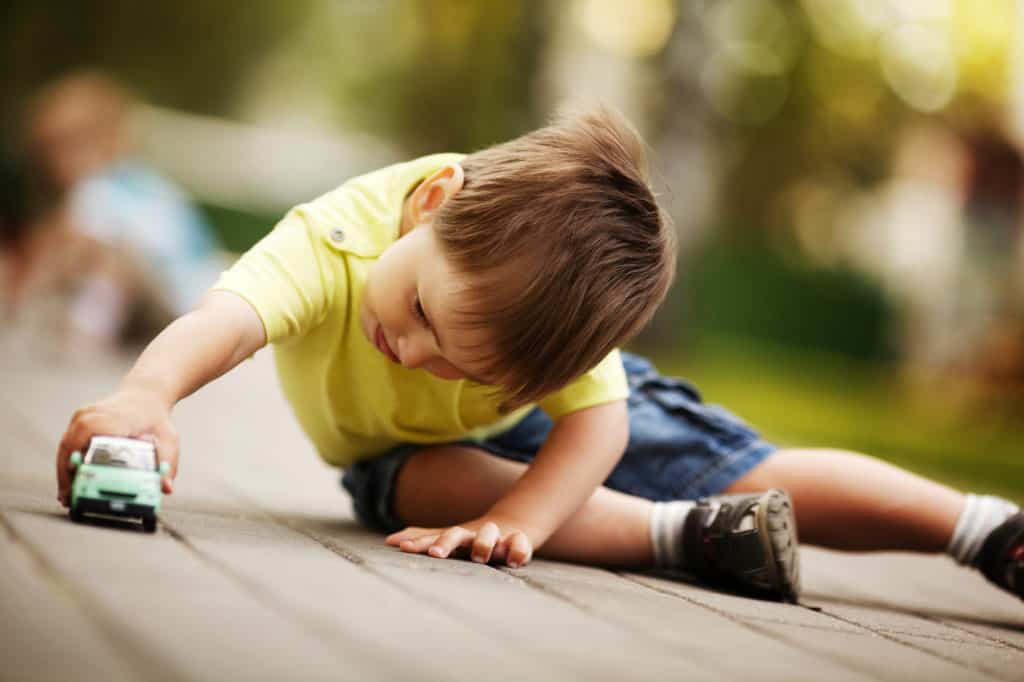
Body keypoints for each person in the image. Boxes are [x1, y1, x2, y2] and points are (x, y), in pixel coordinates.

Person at [55, 108, 1022, 603]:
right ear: (432, 207)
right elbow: (230, 316)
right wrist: (149, 393)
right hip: (408, 456)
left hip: (562, 430)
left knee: (753, 466)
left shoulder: (539, 318)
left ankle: (983, 531)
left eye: (464, 365)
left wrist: (524, 512)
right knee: (422, 485)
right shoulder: (339, 237)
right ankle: (689, 536)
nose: (421, 358)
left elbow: (598, 421)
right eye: (425, 314)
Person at [11, 70, 223, 347]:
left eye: (69, 146)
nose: (55, 162)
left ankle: (87, 329)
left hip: (179, 302)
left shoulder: (99, 189)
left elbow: (97, 249)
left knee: (104, 255)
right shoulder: (140, 183)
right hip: (201, 300)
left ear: (108, 139)